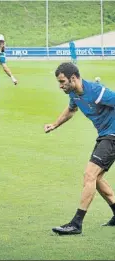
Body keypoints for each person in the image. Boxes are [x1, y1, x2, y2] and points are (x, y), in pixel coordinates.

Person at [44, 62, 115, 235]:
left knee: (90, 175)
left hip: (112, 135)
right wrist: (54, 124)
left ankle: (76, 223)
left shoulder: (97, 91)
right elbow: (70, 110)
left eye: (62, 82)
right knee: (96, 179)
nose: (60, 86)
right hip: (104, 135)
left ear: (73, 78)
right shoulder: (75, 94)